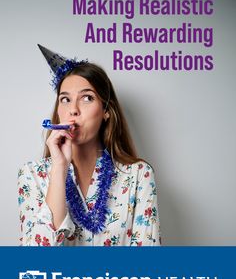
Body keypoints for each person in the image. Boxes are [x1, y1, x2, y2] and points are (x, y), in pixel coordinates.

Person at [17, 45, 161, 246]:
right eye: (65, 99)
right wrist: (59, 167)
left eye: (87, 98)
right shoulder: (30, 175)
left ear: (106, 111)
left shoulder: (138, 175)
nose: (73, 110)